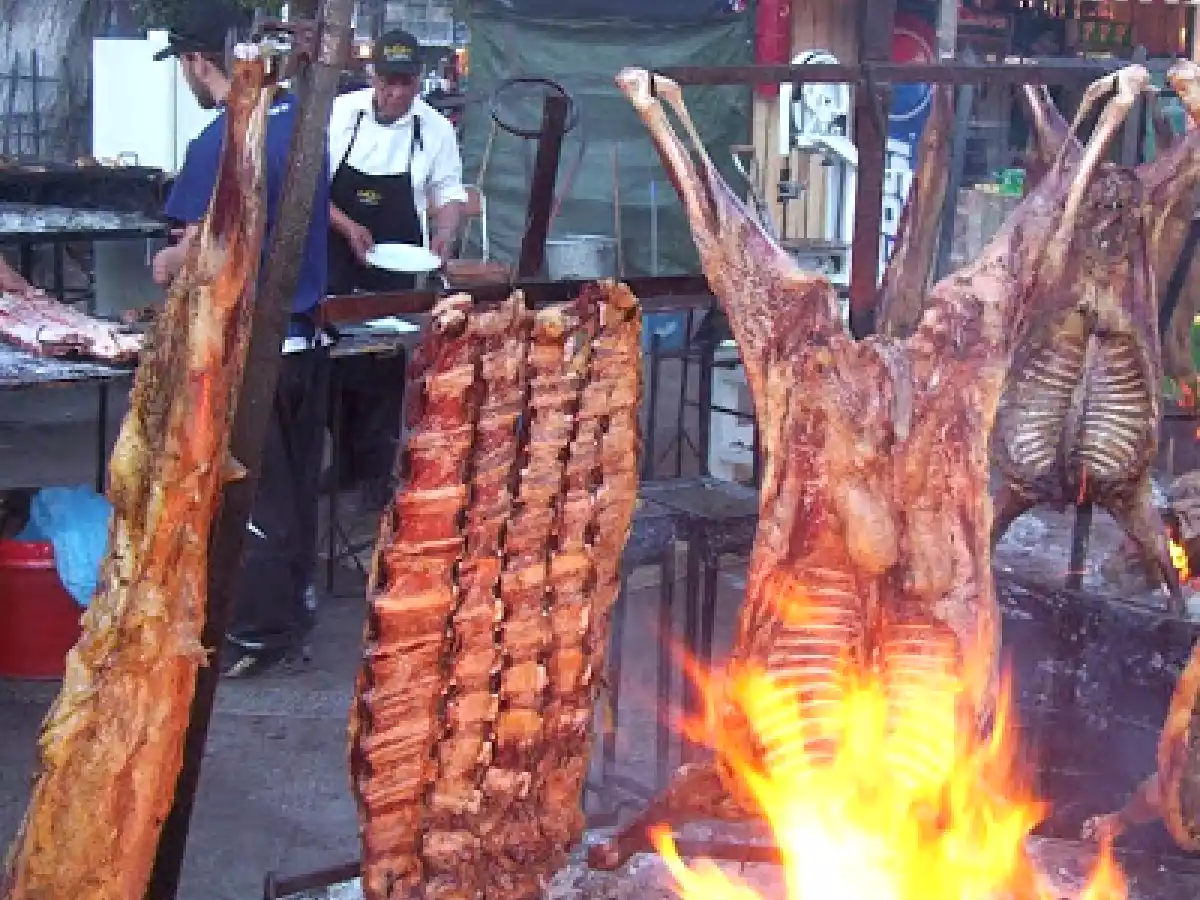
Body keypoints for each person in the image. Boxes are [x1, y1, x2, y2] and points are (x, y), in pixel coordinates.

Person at [150, 0, 333, 678]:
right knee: (292, 491)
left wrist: (166, 264)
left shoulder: (224, 138)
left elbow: (199, 247)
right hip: (305, 338)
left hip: (253, 348)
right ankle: (294, 610)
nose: (187, 82)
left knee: (250, 494)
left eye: (185, 68)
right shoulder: (296, 124)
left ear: (201, 61)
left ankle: (257, 633)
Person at [326, 29, 467, 507]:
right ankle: (341, 463)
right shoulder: (341, 115)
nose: (396, 93)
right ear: (372, 76)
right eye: (388, 82)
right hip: (338, 254)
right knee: (334, 357)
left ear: (419, 81)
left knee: (385, 364)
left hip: (396, 264)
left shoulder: (435, 130)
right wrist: (347, 227)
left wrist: (445, 234)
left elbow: (448, 193)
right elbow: (308, 191)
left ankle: (373, 473)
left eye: (406, 83)